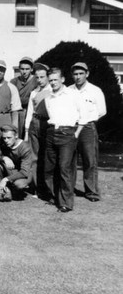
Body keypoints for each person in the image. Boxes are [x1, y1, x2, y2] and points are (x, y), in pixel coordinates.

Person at [44, 68, 87, 213]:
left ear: (62, 79)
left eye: (55, 80)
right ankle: (55, 197)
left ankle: (65, 203)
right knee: (49, 168)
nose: (53, 83)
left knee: (64, 168)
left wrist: (77, 133)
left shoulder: (73, 94)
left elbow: (84, 115)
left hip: (67, 133)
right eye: (50, 80)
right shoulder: (48, 97)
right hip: (51, 132)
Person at [69, 62, 106, 202]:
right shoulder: (68, 90)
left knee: (90, 160)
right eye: (75, 74)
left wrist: (87, 120)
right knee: (70, 160)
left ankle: (92, 192)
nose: (78, 77)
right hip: (72, 127)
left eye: (81, 74)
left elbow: (102, 111)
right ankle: (69, 189)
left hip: (88, 128)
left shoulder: (95, 90)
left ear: (87, 74)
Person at [24, 63, 52, 198]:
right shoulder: (34, 92)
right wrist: (26, 130)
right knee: (34, 157)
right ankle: (36, 187)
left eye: (42, 77)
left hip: (48, 124)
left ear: (48, 77)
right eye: (37, 77)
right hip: (34, 123)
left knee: (47, 156)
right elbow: (30, 111)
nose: (40, 80)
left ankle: (48, 188)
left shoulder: (53, 91)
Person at [0, 125, 34, 201]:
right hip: (9, 170)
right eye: (4, 138)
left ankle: (11, 190)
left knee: (19, 184)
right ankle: (1, 190)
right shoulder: (2, 141)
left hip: (22, 173)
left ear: (16, 136)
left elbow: (24, 172)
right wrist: (4, 158)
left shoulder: (25, 147)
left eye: (9, 138)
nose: (6, 140)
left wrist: (5, 179)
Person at [10, 57, 38, 139]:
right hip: (17, 112)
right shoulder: (14, 81)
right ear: (19, 69)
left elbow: (35, 98)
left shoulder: (36, 80)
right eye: (22, 69)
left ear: (31, 69)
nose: (24, 72)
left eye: (27, 69)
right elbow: (12, 99)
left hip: (30, 111)